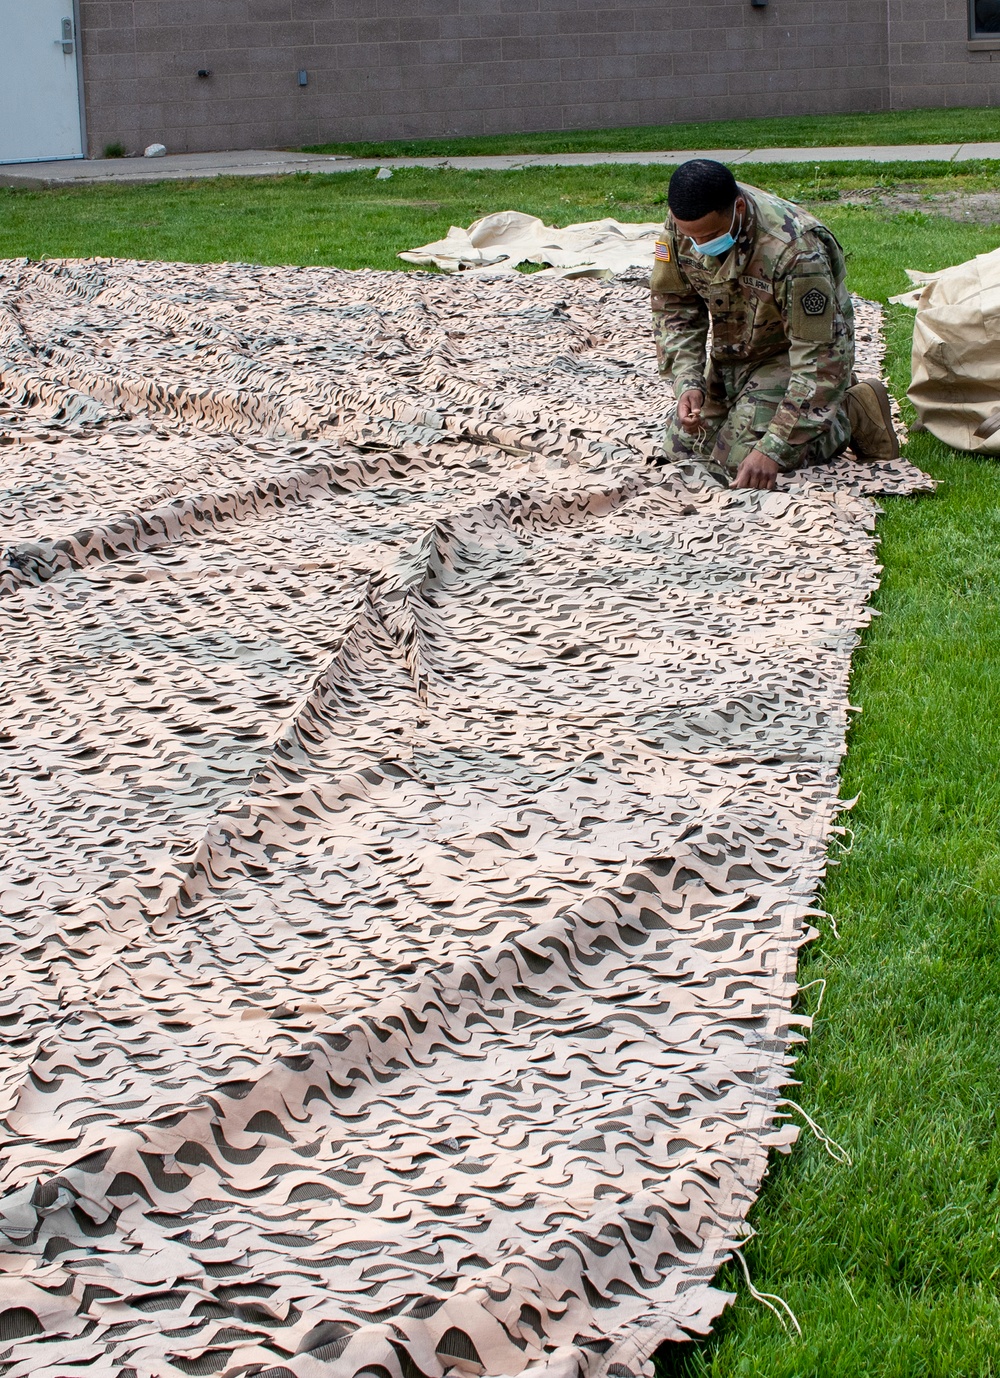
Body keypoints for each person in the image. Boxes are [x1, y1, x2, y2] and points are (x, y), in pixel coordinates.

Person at [652, 158, 898, 490]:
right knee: (682, 452)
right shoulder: (683, 222)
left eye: (709, 236)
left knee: (743, 466)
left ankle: (850, 411)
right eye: (689, 235)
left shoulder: (796, 250)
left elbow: (821, 357)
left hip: (789, 358)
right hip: (733, 356)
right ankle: (752, 406)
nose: (699, 245)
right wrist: (688, 381)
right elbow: (674, 306)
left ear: (738, 207)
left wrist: (775, 448)